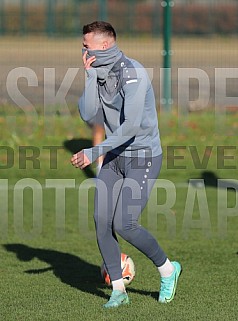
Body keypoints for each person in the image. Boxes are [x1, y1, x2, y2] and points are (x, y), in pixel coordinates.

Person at [71, 21, 182, 308]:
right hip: (115, 156)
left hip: (142, 157)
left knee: (125, 223)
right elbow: (87, 113)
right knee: (102, 220)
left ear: (105, 45)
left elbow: (131, 126)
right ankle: (118, 291)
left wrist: (96, 151)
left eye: (86, 44)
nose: (82, 49)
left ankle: (168, 270)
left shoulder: (133, 73)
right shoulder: (97, 71)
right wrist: (88, 76)